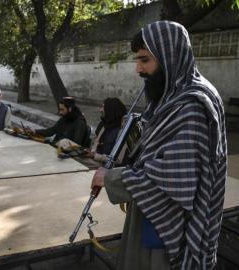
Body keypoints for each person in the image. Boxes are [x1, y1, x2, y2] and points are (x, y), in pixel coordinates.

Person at [90, 21, 227, 269]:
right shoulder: (172, 96)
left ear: (169, 57)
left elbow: (174, 180)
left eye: (145, 60)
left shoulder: (192, 106)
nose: (138, 69)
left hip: (171, 230)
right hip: (152, 216)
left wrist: (110, 178)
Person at [87, 97, 127, 163]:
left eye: (103, 107)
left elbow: (118, 160)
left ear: (110, 110)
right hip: (95, 163)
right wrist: (90, 152)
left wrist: (96, 156)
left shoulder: (122, 131)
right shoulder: (105, 126)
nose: (101, 110)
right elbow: (95, 145)